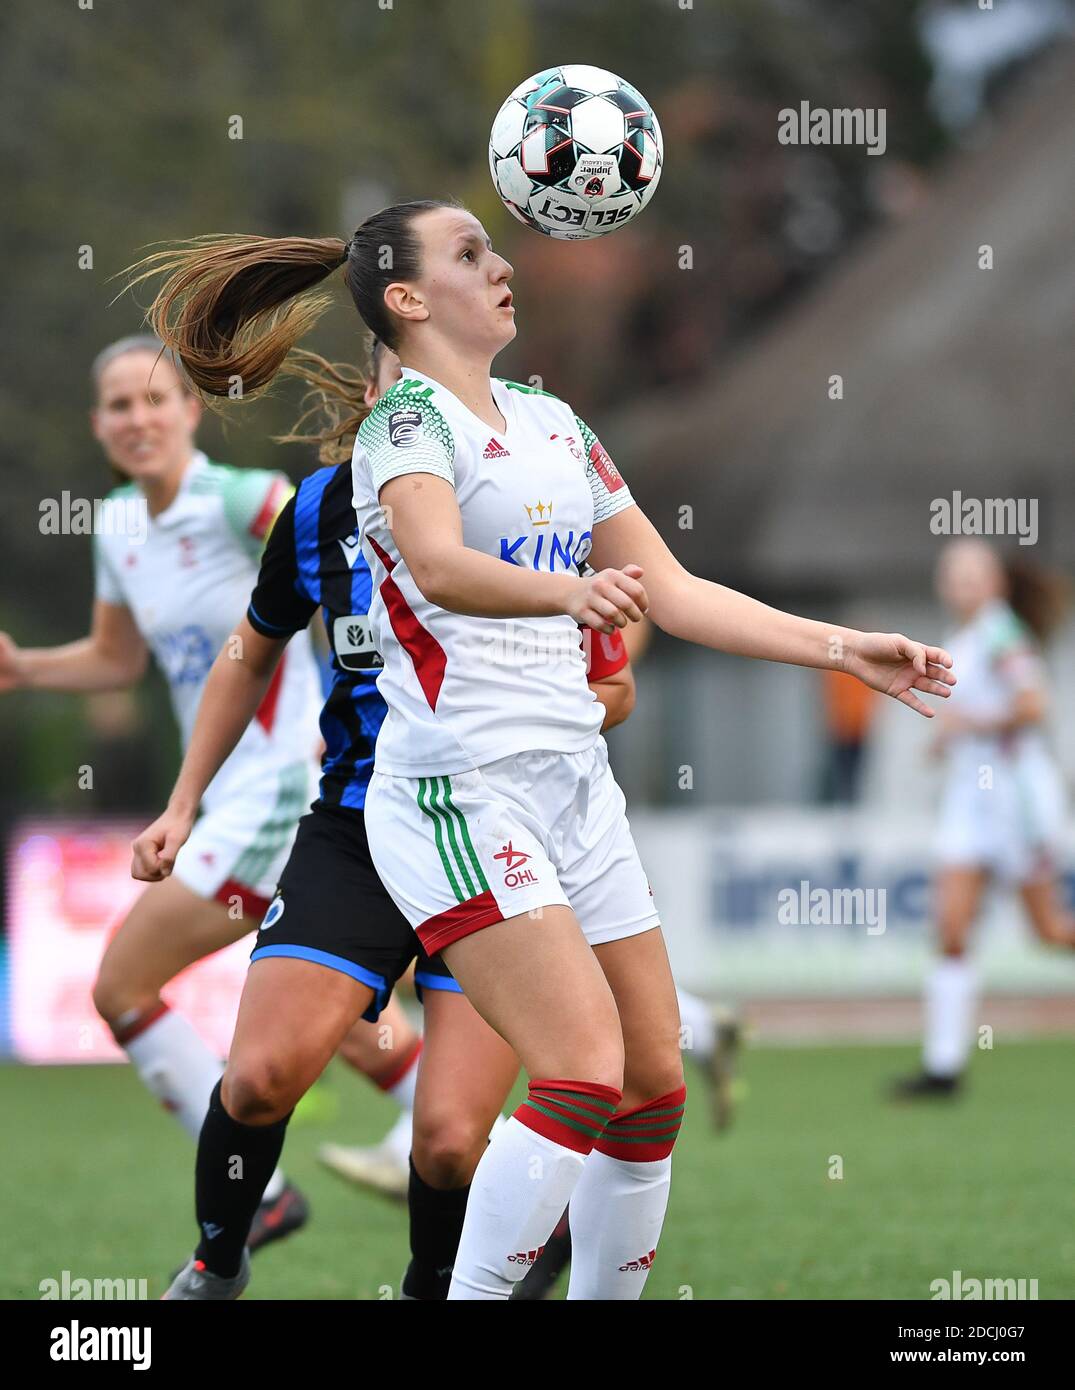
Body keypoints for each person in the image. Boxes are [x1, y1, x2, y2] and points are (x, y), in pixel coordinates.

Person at [130, 198, 954, 1300]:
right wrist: (572, 590)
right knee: (578, 1073)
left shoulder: (554, 422)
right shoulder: (402, 429)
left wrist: (843, 647)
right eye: (471, 253)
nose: (504, 264)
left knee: (652, 1082)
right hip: (457, 794)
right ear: (411, 300)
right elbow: (437, 563)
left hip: (575, 789)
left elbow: (672, 586)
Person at [130, 334, 637, 1299]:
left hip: (498, 837)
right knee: (258, 1079)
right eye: (403, 379)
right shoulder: (321, 507)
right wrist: (183, 802)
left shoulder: (526, 503)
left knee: (448, 1146)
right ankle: (216, 1261)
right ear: (374, 392)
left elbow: (611, 686)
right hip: (359, 828)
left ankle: (436, 1287)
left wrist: (552, 703)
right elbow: (250, 652)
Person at [0, 336, 321, 1251]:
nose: (136, 419)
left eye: (155, 400)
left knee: (123, 981)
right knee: (336, 1014)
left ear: (192, 410)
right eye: (116, 406)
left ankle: (261, 1197)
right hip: (231, 798)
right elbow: (116, 661)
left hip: (283, 785)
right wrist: (22, 667)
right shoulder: (115, 526)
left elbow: (354, 571)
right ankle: (505, 1187)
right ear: (99, 426)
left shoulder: (246, 499)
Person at [893, 540, 1073, 1099]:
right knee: (951, 929)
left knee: (1049, 932)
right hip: (970, 804)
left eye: (972, 576)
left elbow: (1033, 704)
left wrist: (964, 726)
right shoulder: (965, 640)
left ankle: (943, 1066)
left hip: (1015, 804)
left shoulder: (1001, 633)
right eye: (953, 576)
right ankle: (943, 1069)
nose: (960, 585)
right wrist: (948, 743)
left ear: (995, 584)